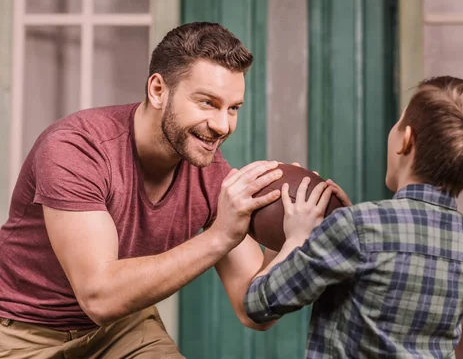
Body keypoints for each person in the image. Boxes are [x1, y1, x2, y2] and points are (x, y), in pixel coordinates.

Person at [0, 22, 289, 358]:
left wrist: (287, 238)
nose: (223, 125)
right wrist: (220, 236)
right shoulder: (77, 148)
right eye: (207, 102)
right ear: (157, 90)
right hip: (22, 330)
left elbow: (252, 307)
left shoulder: (209, 174)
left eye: (233, 108)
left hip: (122, 328)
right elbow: (99, 297)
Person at [244, 76, 463, 358]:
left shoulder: (359, 230)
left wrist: (296, 238)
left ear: (405, 141)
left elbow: (259, 304)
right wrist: (346, 224)